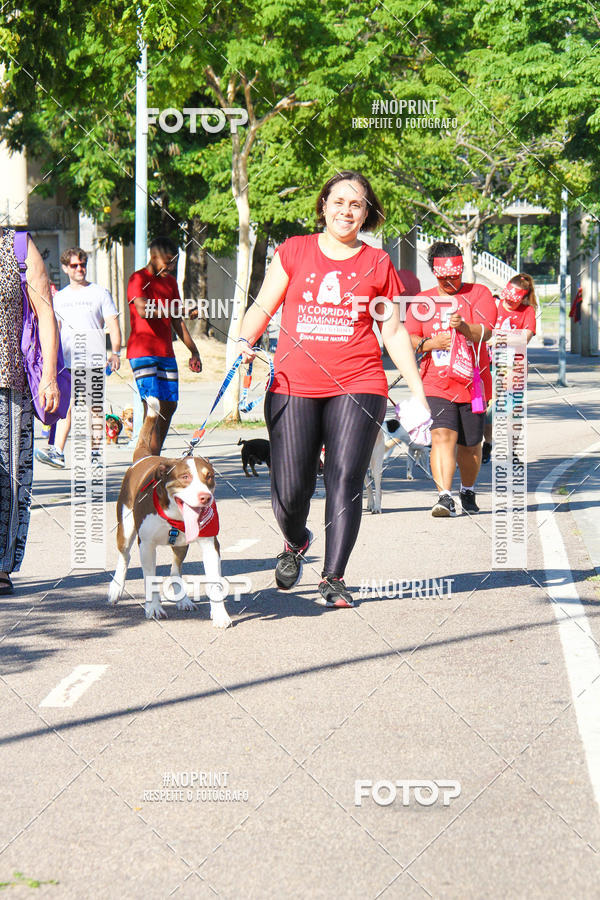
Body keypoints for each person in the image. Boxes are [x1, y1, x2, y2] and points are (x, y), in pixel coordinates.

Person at [237, 170, 429, 607]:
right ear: (323, 205)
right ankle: (296, 540)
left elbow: (394, 331)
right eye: (339, 201)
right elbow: (263, 306)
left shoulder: (377, 264)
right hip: (293, 384)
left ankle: (333, 577)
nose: (346, 210)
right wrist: (245, 343)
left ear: (367, 214)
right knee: (290, 486)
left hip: (359, 383)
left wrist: (418, 391)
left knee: (345, 479)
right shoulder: (295, 251)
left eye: (356, 204)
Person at [405, 241, 497, 517]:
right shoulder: (422, 301)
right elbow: (410, 338)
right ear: (434, 272)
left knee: (470, 446)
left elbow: (487, 331)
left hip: (473, 385)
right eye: (442, 277)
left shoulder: (479, 293)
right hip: (436, 382)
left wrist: (465, 328)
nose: (448, 281)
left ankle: (467, 489)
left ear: (461, 270)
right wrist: (432, 343)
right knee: (442, 435)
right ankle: (444, 497)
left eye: (453, 276)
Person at [0, 228, 60, 593]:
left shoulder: (17, 245)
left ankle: (1, 564)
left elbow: (45, 312)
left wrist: (49, 375)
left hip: (9, 380)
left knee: (9, 481)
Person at [35, 247, 122, 468]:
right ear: (65, 268)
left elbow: (112, 323)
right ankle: (57, 451)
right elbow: (54, 328)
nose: (79, 268)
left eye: (82, 264)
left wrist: (116, 352)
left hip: (92, 359)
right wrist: (49, 359)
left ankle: (95, 454)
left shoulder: (100, 293)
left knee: (94, 408)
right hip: (67, 361)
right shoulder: (60, 298)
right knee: (67, 406)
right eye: (74, 265)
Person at [127, 236, 202, 462]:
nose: (170, 267)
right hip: (142, 351)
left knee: (169, 405)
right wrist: (176, 308)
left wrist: (194, 351)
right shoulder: (138, 278)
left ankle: (153, 457)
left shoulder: (170, 283)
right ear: (153, 256)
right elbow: (142, 309)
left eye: (174, 263)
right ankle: (145, 460)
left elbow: (177, 320)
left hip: (166, 353)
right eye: (167, 262)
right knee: (152, 405)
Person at [482, 274, 537, 463]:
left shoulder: (527, 311)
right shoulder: (493, 304)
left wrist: (497, 338)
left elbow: (525, 338)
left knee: (513, 411)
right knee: (488, 408)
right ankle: (487, 444)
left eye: (514, 301)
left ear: (523, 298)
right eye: (507, 298)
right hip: (488, 364)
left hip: (514, 366)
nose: (508, 303)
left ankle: (513, 451)